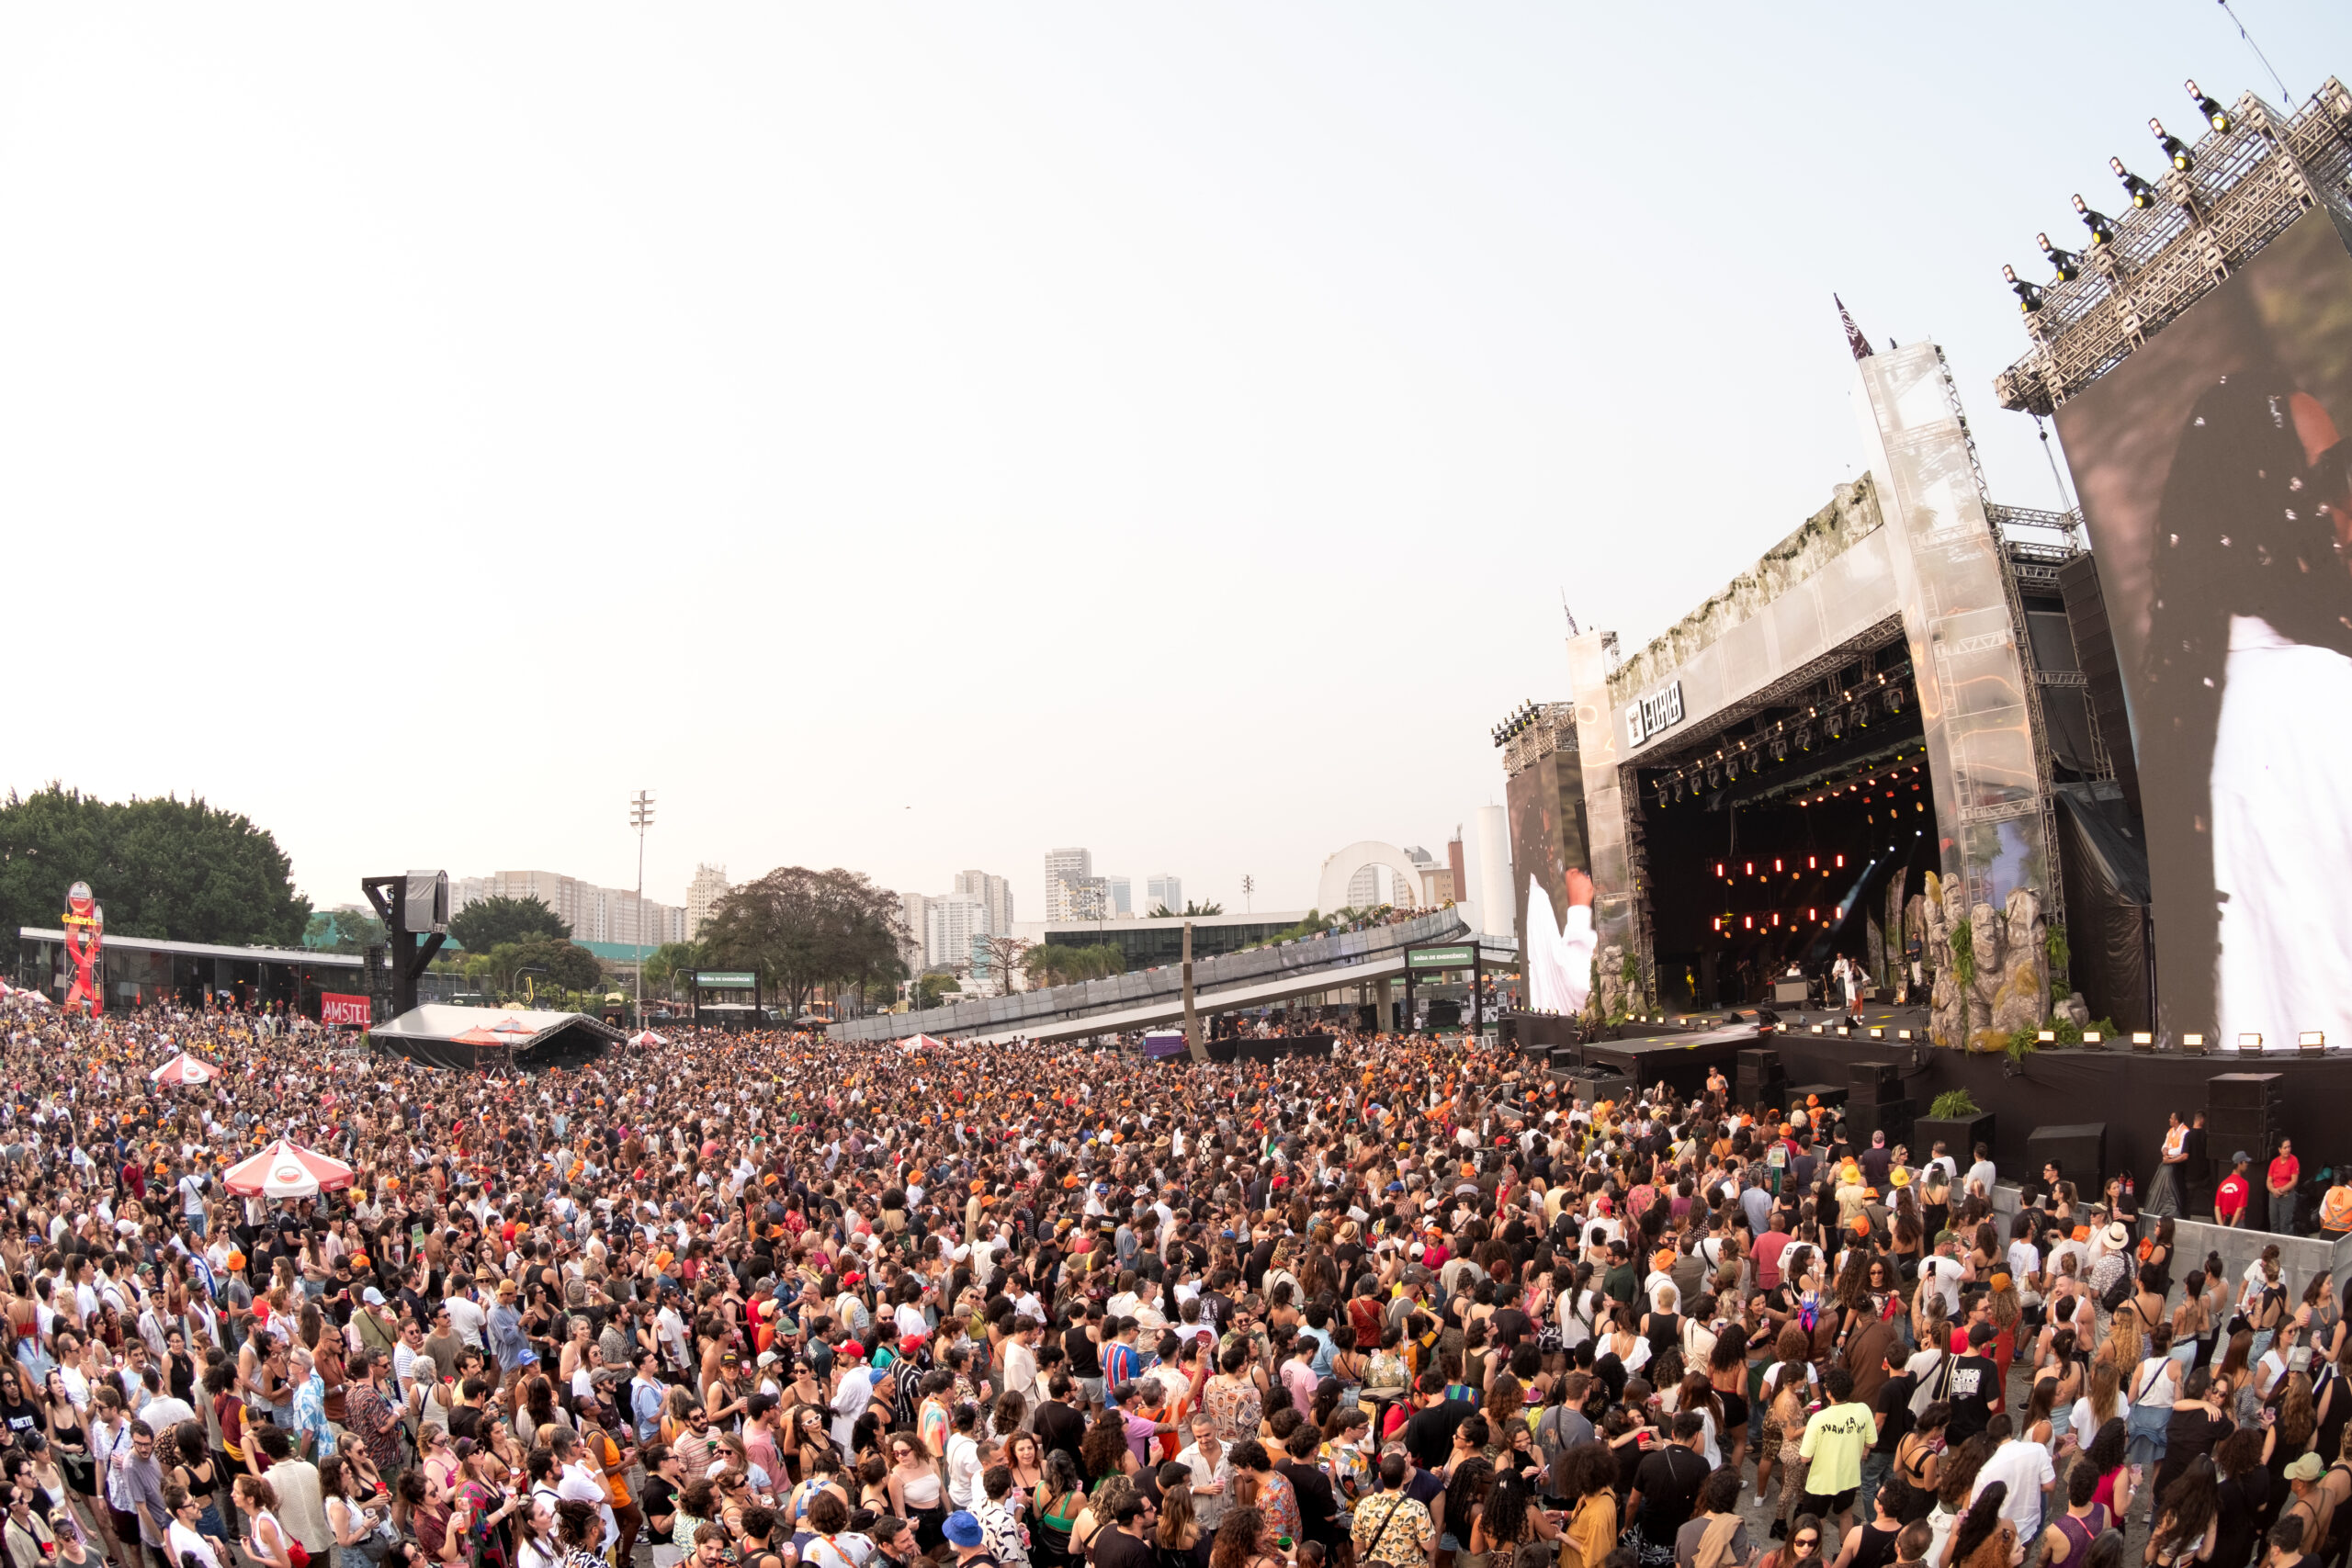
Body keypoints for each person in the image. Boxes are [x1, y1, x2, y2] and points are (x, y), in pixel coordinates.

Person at [1799, 1369, 1878, 1536]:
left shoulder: (1818, 1418)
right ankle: (1845, 1549)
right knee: (1846, 1515)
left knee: (1817, 1519)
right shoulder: (1863, 1410)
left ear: (1828, 1392)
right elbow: (1872, 1442)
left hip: (1821, 1481)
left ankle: (1816, 1550)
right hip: (1849, 1477)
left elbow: (1805, 1457)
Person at [2270, 1142, 2303, 1236]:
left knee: (2285, 1226)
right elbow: (2269, 1180)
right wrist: (2273, 1190)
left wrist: (2281, 1190)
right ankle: (2274, 1245)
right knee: (2274, 1225)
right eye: (2285, 1148)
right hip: (2274, 1196)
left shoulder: (2293, 1160)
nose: (2287, 1149)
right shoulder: (2274, 1162)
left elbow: (2294, 1181)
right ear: (2280, 1150)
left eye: (2289, 1147)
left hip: (2286, 1196)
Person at [2220, 1156, 2256, 1229]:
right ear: (2239, 1163)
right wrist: (2231, 1228)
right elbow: (2240, 1209)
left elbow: (2217, 1208)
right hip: (2237, 1223)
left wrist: (2221, 1227)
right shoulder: (2244, 1184)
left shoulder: (2223, 1183)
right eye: (2245, 1162)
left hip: (2223, 1222)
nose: (2247, 1164)